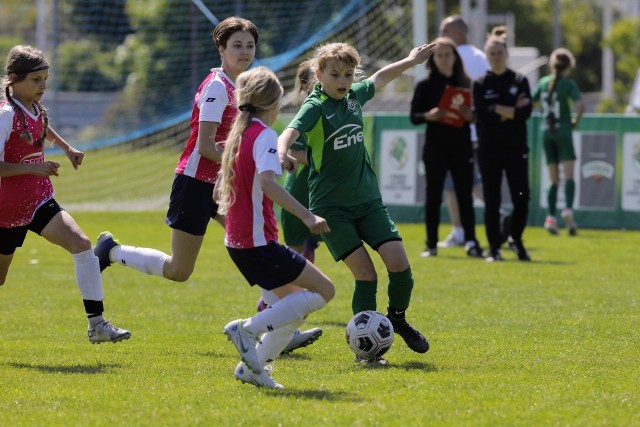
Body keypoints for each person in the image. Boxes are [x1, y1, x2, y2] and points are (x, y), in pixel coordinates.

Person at [93, 17, 320, 353]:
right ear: (221, 49)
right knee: (178, 270)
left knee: (257, 248)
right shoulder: (217, 87)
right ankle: (110, 251)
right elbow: (206, 146)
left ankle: (279, 327)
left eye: (250, 46)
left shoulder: (244, 86)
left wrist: (267, 158)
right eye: (237, 45)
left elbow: (245, 141)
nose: (244, 52)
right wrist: (251, 163)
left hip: (225, 185)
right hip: (197, 184)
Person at [278, 42, 433, 365]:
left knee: (400, 265)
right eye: (335, 74)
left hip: (368, 201)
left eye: (348, 74)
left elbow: (379, 77)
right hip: (332, 209)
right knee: (366, 275)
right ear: (319, 75)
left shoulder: (353, 98)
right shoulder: (316, 106)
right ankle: (367, 351)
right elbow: (289, 132)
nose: (343, 81)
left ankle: (398, 319)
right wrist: (281, 152)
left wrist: (408, 59)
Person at [0, 45, 130, 343]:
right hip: (6, 208)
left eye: (45, 78)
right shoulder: (6, 115)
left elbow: (42, 128)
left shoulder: (33, 107)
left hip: (38, 200)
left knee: (82, 244)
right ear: (13, 79)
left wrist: (67, 148)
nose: (42, 85)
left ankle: (96, 325)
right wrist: (34, 168)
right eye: (35, 80)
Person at [218, 66, 335, 389]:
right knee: (324, 291)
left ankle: (254, 369)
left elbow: (243, 180)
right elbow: (268, 184)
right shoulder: (264, 135)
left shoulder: (240, 132)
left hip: (239, 241)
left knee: (291, 306)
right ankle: (247, 329)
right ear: (274, 103)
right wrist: (307, 216)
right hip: (257, 242)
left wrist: (279, 161)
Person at [255, 60, 323, 353]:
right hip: (301, 196)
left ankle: (280, 326)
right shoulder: (307, 115)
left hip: (319, 197)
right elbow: (293, 149)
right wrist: (327, 157)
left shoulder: (332, 111)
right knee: (292, 268)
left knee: (306, 264)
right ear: (307, 86)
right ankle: (263, 321)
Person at [409, 37, 483, 259]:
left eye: (447, 54)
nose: (443, 59)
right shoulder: (425, 85)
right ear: (433, 59)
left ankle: (471, 241)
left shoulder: (468, 84)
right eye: (439, 55)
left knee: (465, 196)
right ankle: (431, 244)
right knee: (433, 196)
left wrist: (467, 114)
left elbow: (476, 117)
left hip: (461, 147)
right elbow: (414, 117)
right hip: (435, 148)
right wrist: (429, 115)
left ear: (455, 57)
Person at [473, 30, 533, 262]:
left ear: (507, 54)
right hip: (489, 150)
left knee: (521, 197)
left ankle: (515, 239)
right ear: (487, 56)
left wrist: (497, 108)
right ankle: (493, 248)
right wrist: (509, 110)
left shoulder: (520, 80)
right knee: (492, 199)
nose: (497, 56)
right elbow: (482, 114)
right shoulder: (480, 83)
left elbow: (525, 112)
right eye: (492, 53)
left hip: (516, 149)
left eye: (500, 52)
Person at [437, 15, 491, 248]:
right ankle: (496, 218)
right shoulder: (482, 56)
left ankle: (462, 230)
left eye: (443, 31)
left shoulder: (455, 57)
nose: (440, 37)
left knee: (456, 184)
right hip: (481, 130)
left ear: (456, 32)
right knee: (471, 181)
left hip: (458, 130)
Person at [532, 48, 585, 236]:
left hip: (546, 132)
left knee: (553, 178)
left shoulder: (543, 82)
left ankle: (550, 217)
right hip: (563, 130)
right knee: (569, 175)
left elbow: (530, 102)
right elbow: (580, 106)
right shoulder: (568, 84)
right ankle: (568, 210)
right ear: (569, 66)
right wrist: (574, 122)